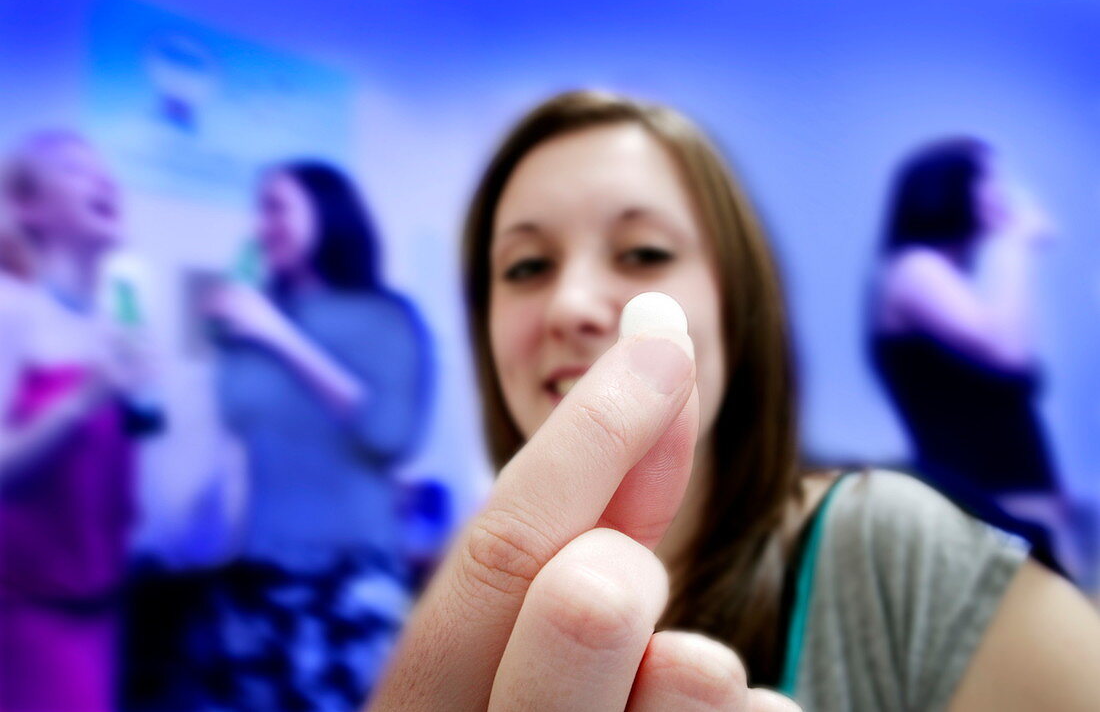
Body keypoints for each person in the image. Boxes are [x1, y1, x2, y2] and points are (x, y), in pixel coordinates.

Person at [369, 92, 1100, 711]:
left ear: (737, 307)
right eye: (526, 266)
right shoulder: (449, 610)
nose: (571, 304)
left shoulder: (894, 547)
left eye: (645, 252)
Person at [198, 161, 433, 710]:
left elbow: (390, 434)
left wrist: (279, 335)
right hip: (253, 578)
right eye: (260, 210)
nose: (262, 224)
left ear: (325, 212)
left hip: (348, 582)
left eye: (277, 206)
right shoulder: (253, 324)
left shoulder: (385, 317)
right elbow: (235, 422)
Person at [0, 130, 151, 711]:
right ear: (27, 206)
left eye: (106, 170)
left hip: (105, 610)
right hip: (28, 620)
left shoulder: (114, 328)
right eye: (75, 168)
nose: (105, 179)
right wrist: (82, 401)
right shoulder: (12, 310)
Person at [868, 137, 1068, 570]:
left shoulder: (945, 278)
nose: (1005, 193)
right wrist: (1017, 244)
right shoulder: (913, 269)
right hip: (984, 512)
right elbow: (1008, 350)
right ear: (951, 189)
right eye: (992, 180)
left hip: (1013, 511)